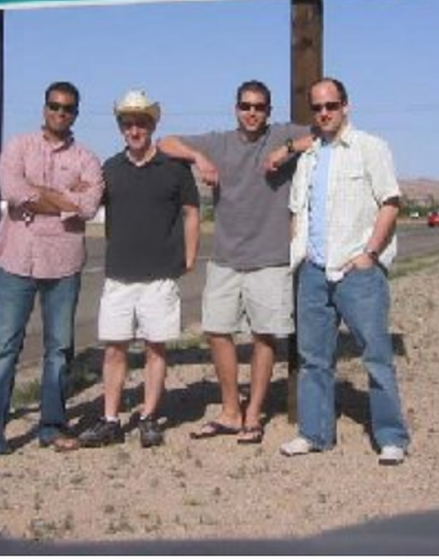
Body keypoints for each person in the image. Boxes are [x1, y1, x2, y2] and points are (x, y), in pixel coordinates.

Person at [0, 81, 104, 466]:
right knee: (3, 348)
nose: (60, 113)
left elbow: (89, 207)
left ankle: (53, 426)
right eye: (54, 106)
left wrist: (42, 195)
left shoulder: (88, 157)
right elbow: (13, 189)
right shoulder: (19, 146)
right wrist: (64, 196)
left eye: (68, 108)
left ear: (76, 113)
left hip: (64, 262)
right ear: (44, 108)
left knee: (58, 349)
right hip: (17, 259)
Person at [158, 80, 312, 444]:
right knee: (216, 330)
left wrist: (287, 149)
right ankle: (230, 410)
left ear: (269, 111)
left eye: (259, 107)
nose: (252, 112)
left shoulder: (281, 135)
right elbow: (163, 143)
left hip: (270, 257)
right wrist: (198, 158)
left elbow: (324, 133)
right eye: (246, 106)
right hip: (226, 258)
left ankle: (254, 414)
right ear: (236, 108)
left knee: (264, 335)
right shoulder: (218, 142)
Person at [59, 89, 200, 450]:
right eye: (128, 124)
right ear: (121, 128)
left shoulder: (174, 168)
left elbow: (191, 212)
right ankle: (110, 419)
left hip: (159, 277)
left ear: (152, 125)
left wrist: (190, 256)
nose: (134, 130)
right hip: (119, 276)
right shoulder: (109, 169)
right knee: (114, 350)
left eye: (140, 123)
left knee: (156, 349)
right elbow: (87, 199)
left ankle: (150, 417)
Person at [279, 77, 411, 464]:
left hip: (358, 270)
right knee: (314, 358)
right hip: (314, 271)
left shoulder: (370, 148)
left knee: (376, 356)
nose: (324, 113)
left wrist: (370, 253)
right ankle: (315, 433)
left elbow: (390, 202)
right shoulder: (308, 159)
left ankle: (391, 437)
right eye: (317, 108)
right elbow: (296, 212)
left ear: (346, 106)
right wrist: (300, 255)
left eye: (331, 106)